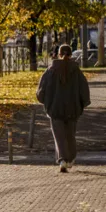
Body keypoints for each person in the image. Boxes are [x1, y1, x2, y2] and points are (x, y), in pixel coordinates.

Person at [36, 44, 91, 172]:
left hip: (55, 109)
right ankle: (71, 159)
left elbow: (41, 91)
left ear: (58, 55)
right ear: (71, 55)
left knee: (59, 136)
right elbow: (84, 90)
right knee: (70, 134)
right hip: (73, 109)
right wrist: (82, 104)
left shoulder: (50, 71)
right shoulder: (77, 71)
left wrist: (46, 103)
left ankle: (62, 160)